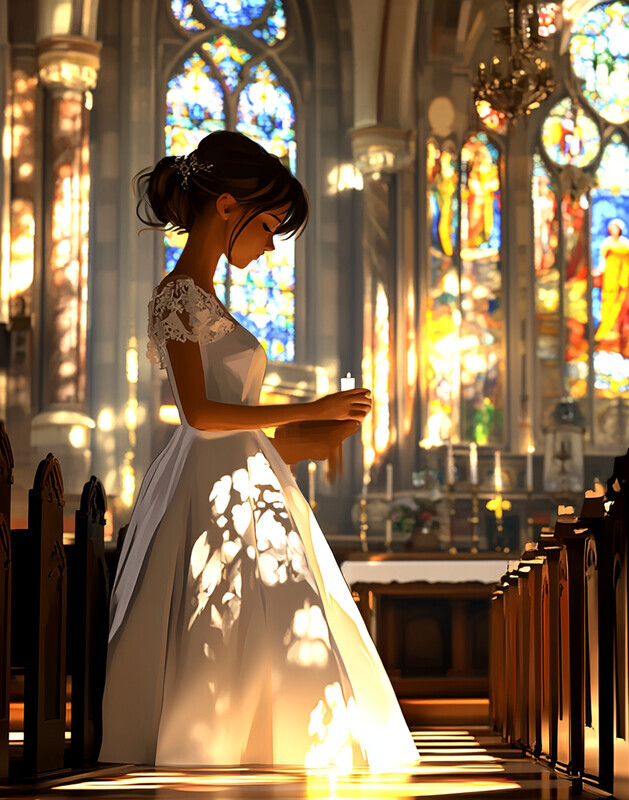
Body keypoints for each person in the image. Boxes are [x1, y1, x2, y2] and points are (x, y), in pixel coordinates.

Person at [100, 131, 419, 770]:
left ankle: (270, 735)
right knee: (218, 611)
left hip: (239, 475)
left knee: (273, 606)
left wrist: (298, 442)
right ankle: (209, 736)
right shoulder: (178, 293)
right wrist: (309, 408)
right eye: (269, 224)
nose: (271, 242)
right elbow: (200, 413)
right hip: (203, 485)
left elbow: (232, 426)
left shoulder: (209, 298)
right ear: (226, 206)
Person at [593, 218, 629, 350]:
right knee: (607, 307)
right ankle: (603, 336)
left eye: (616, 228)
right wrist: (597, 271)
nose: (613, 231)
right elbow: (602, 262)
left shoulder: (625, 244)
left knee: (620, 307)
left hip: (622, 281)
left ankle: (618, 338)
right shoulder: (607, 243)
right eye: (612, 228)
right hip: (609, 281)